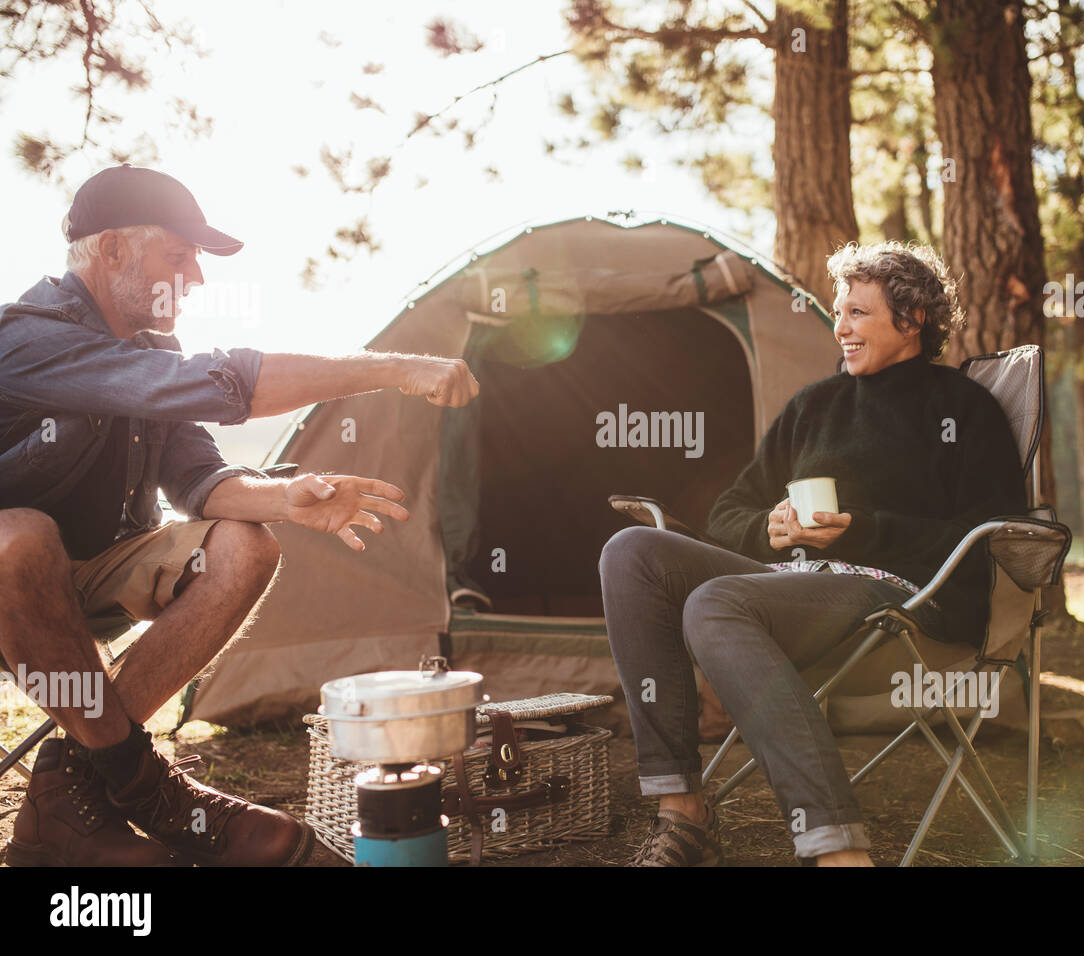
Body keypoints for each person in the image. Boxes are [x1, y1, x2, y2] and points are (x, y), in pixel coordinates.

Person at [0, 165, 479, 866]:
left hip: (91, 577)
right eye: (179, 253)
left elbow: (198, 477)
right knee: (21, 534)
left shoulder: (151, 353)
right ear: (111, 252)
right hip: (12, 580)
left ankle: (71, 788)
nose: (194, 277)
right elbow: (222, 383)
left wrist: (287, 498)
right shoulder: (27, 340)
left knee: (244, 547)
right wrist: (396, 369)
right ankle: (148, 790)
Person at [598, 240, 1027, 866]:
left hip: (905, 602)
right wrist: (767, 531)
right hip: (791, 590)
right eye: (838, 311)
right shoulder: (814, 406)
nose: (840, 326)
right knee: (631, 551)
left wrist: (863, 531)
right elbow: (729, 512)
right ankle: (681, 811)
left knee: (715, 603)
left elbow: (996, 530)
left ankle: (839, 852)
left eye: (857, 312)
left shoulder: (961, 409)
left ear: (911, 322)